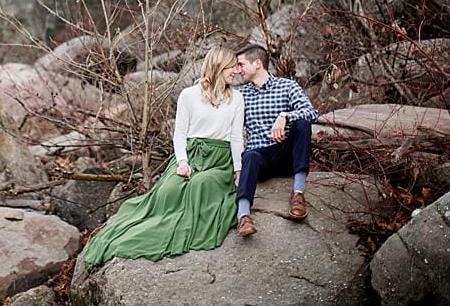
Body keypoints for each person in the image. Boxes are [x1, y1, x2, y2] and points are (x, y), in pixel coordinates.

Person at [81, 46, 245, 266]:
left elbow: (236, 138)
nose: (237, 71)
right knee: (168, 191)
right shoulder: (189, 95)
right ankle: (139, 232)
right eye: (232, 66)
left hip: (219, 158)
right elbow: (179, 134)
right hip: (192, 153)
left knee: (201, 184)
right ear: (218, 67)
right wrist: (182, 162)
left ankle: (184, 233)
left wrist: (238, 169)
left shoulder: (236, 98)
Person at [233, 44, 318, 236]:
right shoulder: (241, 95)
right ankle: (243, 216)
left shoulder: (287, 86)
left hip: (285, 154)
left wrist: (286, 116)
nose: (238, 70)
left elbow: (311, 112)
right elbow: (232, 130)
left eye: (241, 64)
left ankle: (298, 194)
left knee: (302, 123)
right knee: (250, 155)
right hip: (260, 159)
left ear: (257, 64)